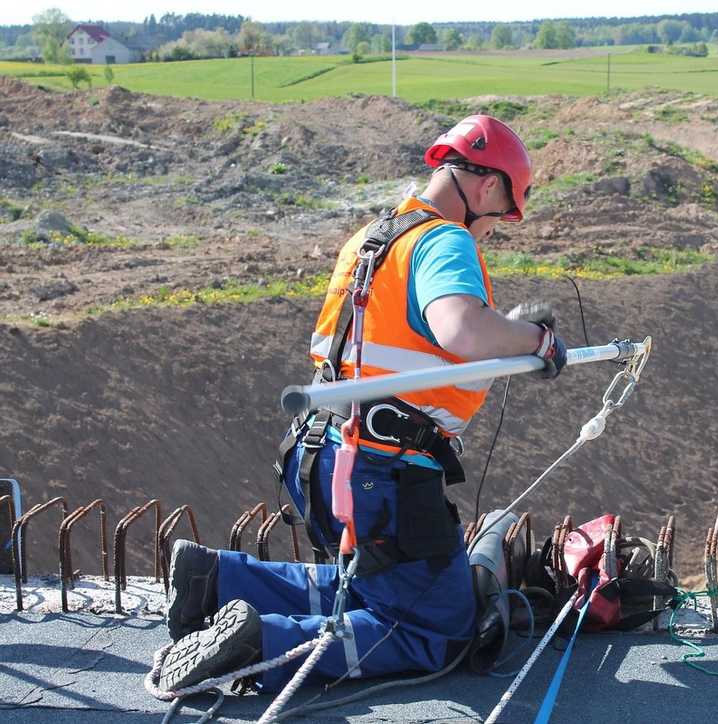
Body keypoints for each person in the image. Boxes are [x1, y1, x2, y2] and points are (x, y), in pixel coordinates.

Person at [159, 115, 567, 692]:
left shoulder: (376, 235)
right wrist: (538, 340)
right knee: (436, 628)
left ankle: (217, 580)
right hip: (384, 468)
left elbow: (399, 339)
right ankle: (262, 642)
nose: (493, 230)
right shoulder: (444, 238)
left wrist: (507, 331)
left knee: (379, 584)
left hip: (321, 450)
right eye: (501, 215)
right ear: (486, 187)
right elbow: (459, 330)